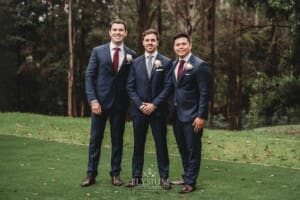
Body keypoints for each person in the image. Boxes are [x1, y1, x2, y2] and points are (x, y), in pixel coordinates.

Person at [81, 19, 136, 187]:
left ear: (125, 33)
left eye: (121, 30)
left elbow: (132, 80)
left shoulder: (131, 54)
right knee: (95, 139)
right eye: (115, 30)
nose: (118, 32)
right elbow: (89, 76)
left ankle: (115, 174)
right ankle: (91, 174)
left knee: (117, 140)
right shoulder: (98, 51)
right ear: (109, 32)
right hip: (99, 103)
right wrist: (93, 100)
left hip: (120, 104)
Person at [126, 29, 172, 189]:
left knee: (161, 144)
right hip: (139, 112)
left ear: (157, 42)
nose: (150, 43)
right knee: (138, 144)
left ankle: (164, 177)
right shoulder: (135, 63)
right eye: (147, 40)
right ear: (143, 42)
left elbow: (168, 87)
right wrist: (140, 105)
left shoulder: (166, 62)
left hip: (158, 111)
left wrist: (154, 104)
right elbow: (130, 87)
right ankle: (136, 177)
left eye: (153, 40)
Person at [170, 32, 209, 193]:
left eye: (183, 44)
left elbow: (205, 93)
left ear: (190, 45)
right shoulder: (174, 64)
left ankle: (190, 182)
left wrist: (201, 116)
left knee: (193, 150)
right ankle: (187, 176)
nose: (181, 47)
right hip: (176, 115)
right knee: (183, 148)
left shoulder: (200, 65)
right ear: (174, 47)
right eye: (178, 44)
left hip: (193, 116)